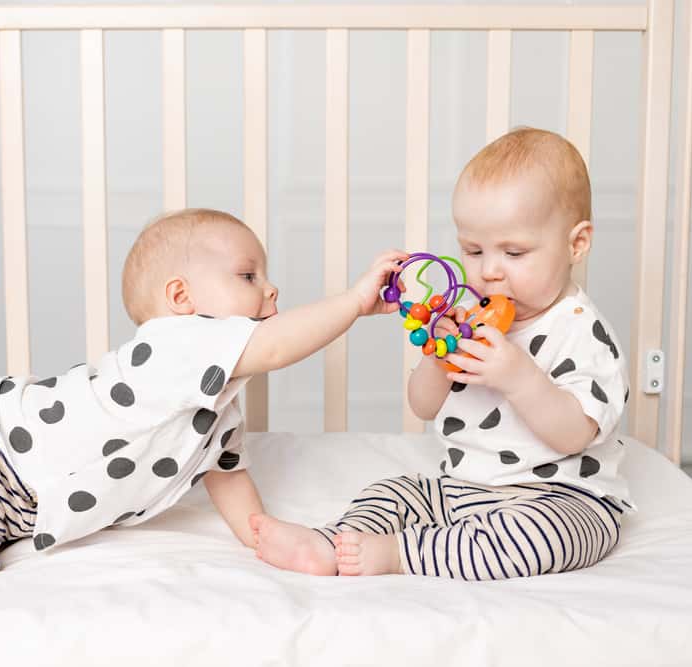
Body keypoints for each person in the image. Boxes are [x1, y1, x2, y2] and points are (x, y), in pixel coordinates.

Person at [0, 207, 407, 580]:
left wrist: (261, 532)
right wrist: (354, 303)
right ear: (181, 299)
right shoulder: (178, 344)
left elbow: (226, 472)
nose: (272, 288)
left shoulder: (219, 399)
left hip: (22, 493)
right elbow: (276, 345)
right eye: (248, 276)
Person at [251, 128, 632, 580]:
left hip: (561, 499)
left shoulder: (581, 332)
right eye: (473, 250)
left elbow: (574, 435)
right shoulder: (467, 315)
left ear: (576, 243)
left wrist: (518, 376)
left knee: (536, 538)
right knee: (396, 492)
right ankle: (332, 542)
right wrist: (438, 358)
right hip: (464, 490)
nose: (489, 270)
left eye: (514, 252)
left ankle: (400, 553)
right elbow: (423, 405)